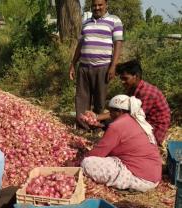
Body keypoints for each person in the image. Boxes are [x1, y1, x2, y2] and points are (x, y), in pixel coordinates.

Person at [81, 95, 162, 192]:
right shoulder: (136, 120)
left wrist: (79, 161)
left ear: (120, 111)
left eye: (111, 111)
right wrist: (99, 124)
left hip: (140, 179)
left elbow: (98, 152)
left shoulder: (117, 126)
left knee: (87, 163)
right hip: (153, 174)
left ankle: (128, 184)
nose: (109, 114)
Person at [69, 0, 123, 129]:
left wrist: (113, 66)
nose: (97, 8)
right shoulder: (86, 22)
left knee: (100, 99)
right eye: (94, 5)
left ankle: (97, 125)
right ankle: (84, 125)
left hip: (103, 66)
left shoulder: (114, 20)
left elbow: (118, 44)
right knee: (82, 98)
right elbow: (80, 44)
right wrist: (72, 64)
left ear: (106, 5)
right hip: (84, 66)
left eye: (100, 5)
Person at [94, 60, 171, 145]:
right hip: (142, 122)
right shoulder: (132, 89)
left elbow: (133, 117)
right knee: (109, 123)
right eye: (121, 79)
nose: (122, 82)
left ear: (136, 76)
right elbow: (121, 109)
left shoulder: (146, 93)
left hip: (153, 130)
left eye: (125, 78)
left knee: (114, 126)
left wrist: (101, 119)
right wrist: (96, 117)